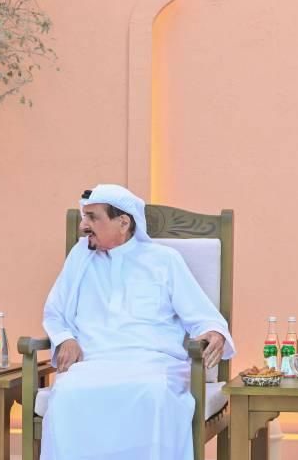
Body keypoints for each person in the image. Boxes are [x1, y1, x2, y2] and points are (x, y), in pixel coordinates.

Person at [40, 184, 234, 460]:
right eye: (84, 217)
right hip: (93, 363)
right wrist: (65, 338)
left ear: (123, 222)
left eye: (92, 217)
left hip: (154, 365)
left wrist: (214, 333)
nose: (83, 226)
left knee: (154, 394)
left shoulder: (164, 260)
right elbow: (54, 311)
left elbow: (202, 315)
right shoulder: (80, 257)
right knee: (67, 393)